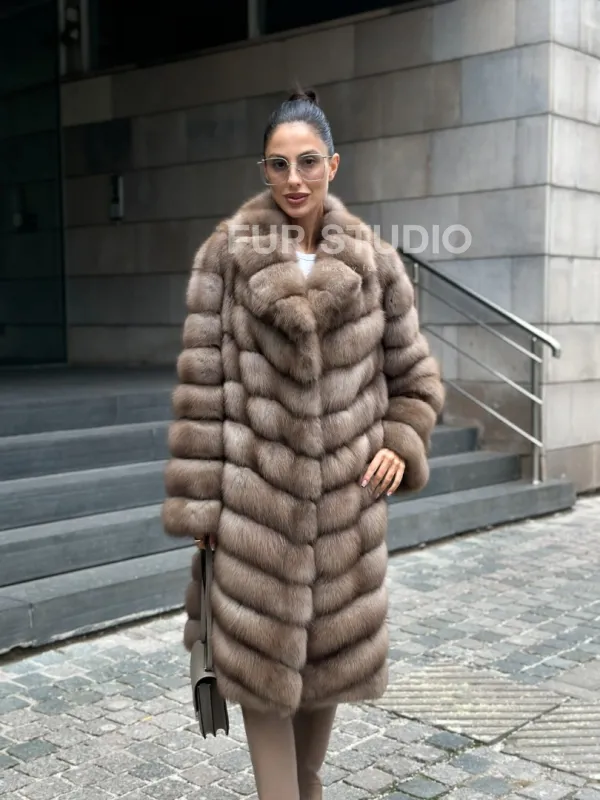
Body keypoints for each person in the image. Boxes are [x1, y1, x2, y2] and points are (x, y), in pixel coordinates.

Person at [162, 88, 445, 800]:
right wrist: (203, 515)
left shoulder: (377, 265)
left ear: (333, 165)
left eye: (308, 162)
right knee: (279, 786)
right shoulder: (226, 259)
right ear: (263, 169)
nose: (294, 179)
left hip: (344, 541)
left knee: (311, 772)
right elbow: (202, 395)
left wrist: (400, 439)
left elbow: (415, 380)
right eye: (279, 164)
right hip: (253, 542)